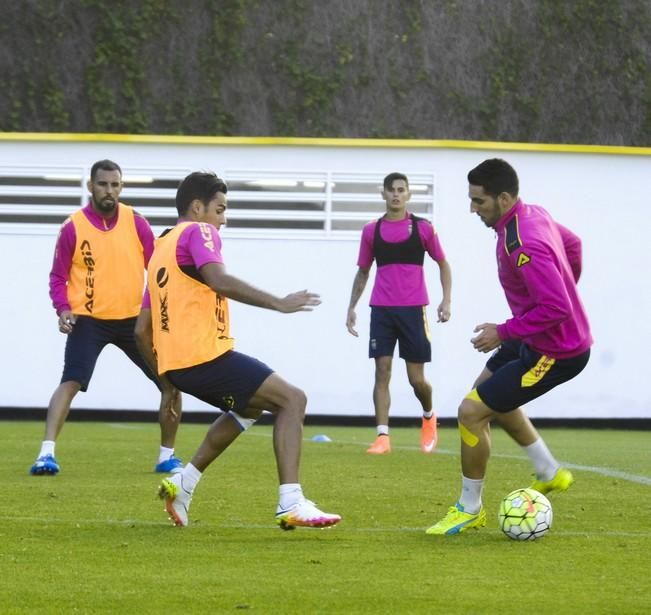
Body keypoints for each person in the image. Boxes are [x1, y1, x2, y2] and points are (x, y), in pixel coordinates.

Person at [134, 171, 340, 529]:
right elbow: (218, 279)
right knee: (293, 400)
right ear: (197, 208)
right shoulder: (199, 232)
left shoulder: (159, 249)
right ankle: (290, 501)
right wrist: (278, 302)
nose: (223, 220)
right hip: (205, 356)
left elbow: (141, 329)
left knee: (249, 410)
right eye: (220, 209)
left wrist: (167, 382)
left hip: (180, 366)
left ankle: (184, 484)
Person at [426, 158, 592, 535]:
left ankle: (469, 508)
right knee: (485, 400)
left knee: (471, 412)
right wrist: (558, 289)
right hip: (530, 336)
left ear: (503, 198)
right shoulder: (533, 214)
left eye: (479, 201)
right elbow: (574, 247)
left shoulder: (523, 242)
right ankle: (549, 472)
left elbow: (557, 306)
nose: (472, 208)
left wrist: (504, 330)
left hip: (556, 351)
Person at [29, 159, 183, 476]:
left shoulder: (136, 222)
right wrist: (63, 308)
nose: (108, 190)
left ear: (121, 187)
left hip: (133, 322)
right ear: (90, 187)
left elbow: (157, 271)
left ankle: (166, 457)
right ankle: (46, 454)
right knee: (70, 382)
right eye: (102, 184)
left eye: (114, 184)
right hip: (89, 320)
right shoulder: (72, 227)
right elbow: (57, 278)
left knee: (171, 380)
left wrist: (158, 311)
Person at [346, 172, 452, 454]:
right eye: (391, 190)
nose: (396, 194)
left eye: (401, 190)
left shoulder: (423, 228)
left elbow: (443, 264)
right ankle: (382, 437)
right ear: (383, 193)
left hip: (413, 310)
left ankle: (429, 415)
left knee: (416, 379)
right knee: (382, 371)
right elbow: (363, 271)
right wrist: (352, 307)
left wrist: (446, 301)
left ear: (408, 194)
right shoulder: (371, 231)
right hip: (381, 309)